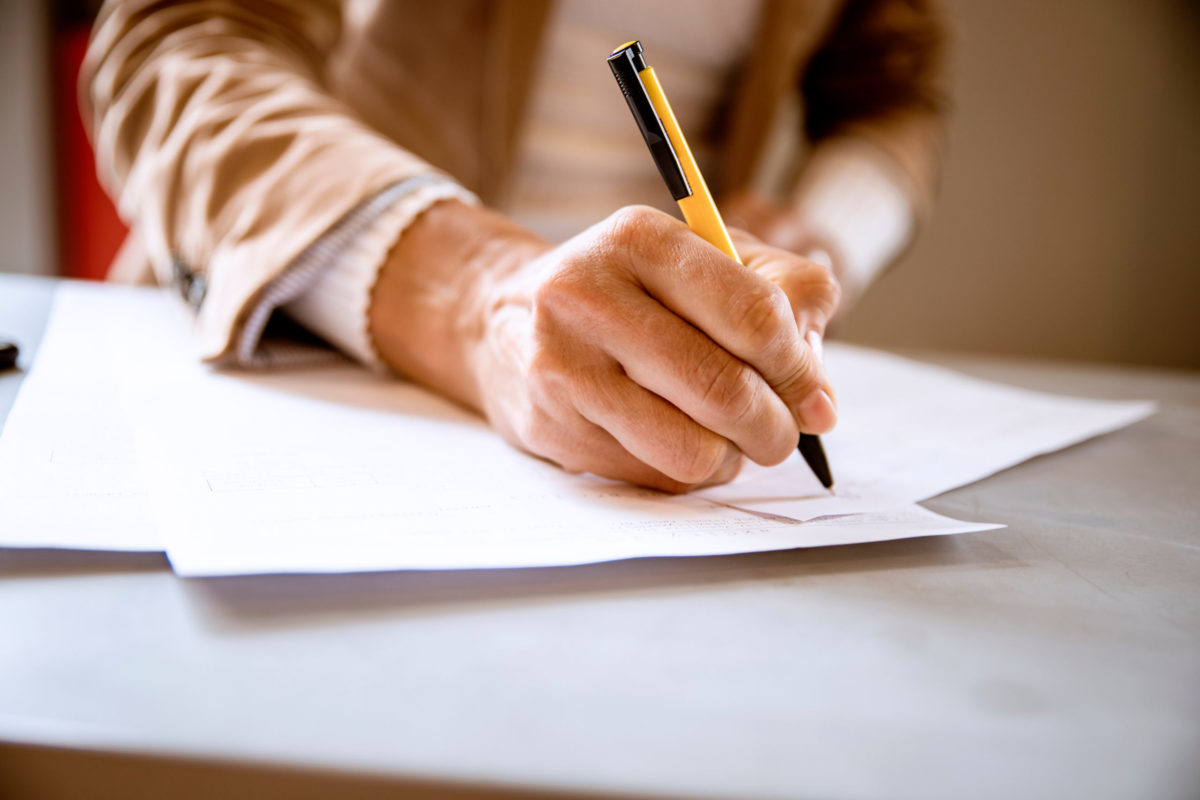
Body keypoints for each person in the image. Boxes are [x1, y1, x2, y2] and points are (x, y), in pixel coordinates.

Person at [81, 0, 950, 492]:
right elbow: (176, 40)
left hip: (639, 380)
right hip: (306, 315)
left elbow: (892, 90)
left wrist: (823, 226)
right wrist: (476, 293)